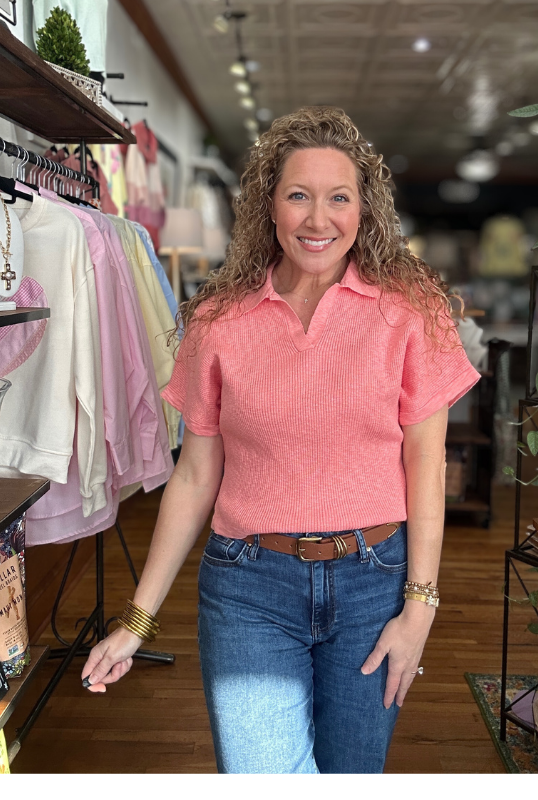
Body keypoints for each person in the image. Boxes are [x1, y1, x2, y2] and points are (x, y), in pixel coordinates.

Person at [81, 106, 481, 774]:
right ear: (269, 207)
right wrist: (136, 622)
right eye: (298, 195)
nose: (317, 219)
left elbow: (426, 463)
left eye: (338, 198)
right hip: (248, 589)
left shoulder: (410, 310)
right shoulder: (218, 319)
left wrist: (420, 609)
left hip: (372, 583)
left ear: (365, 209)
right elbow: (195, 476)